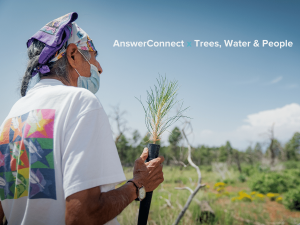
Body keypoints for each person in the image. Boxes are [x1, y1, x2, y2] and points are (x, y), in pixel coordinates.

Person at [0, 12, 164, 225]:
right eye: (93, 55)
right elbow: (82, 216)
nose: (100, 68)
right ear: (73, 54)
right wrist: (138, 185)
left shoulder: (12, 116)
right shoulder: (79, 102)